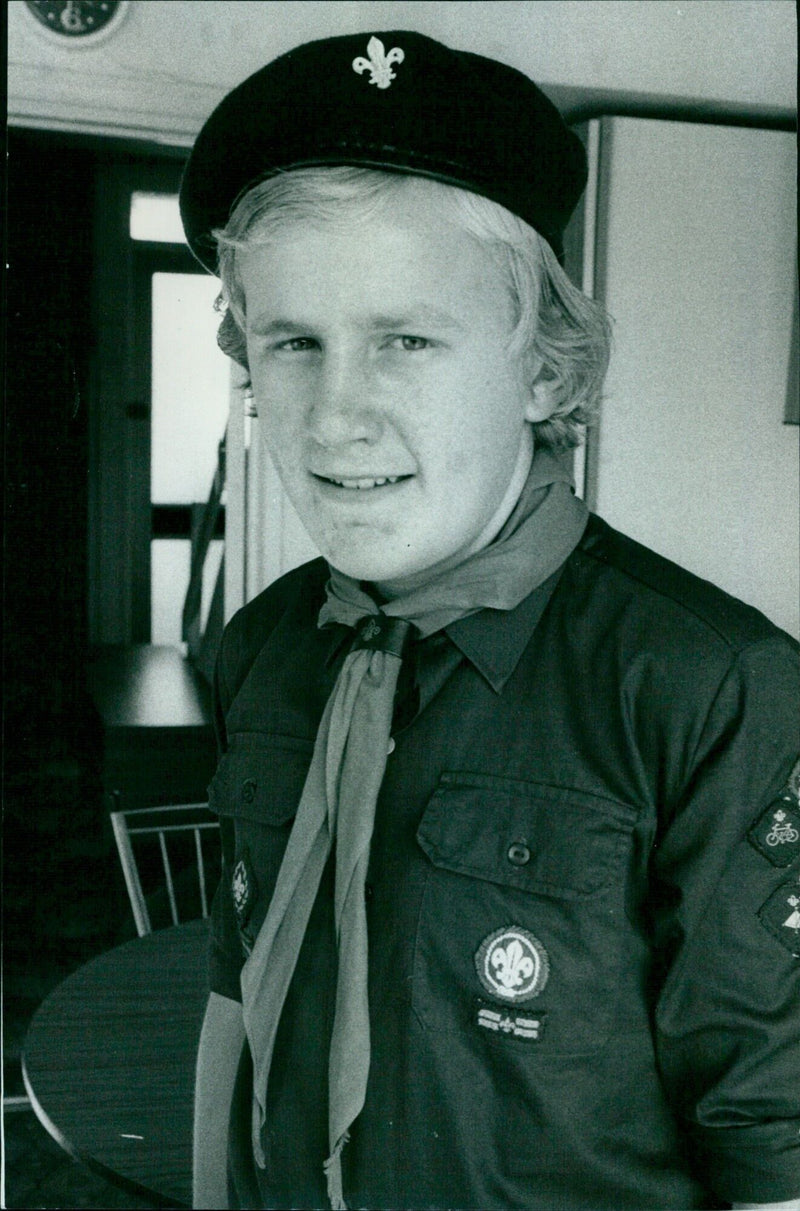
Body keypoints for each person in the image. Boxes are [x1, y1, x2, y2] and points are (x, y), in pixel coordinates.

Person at [181, 30, 800, 1211]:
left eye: (406, 340)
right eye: (293, 344)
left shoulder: (710, 685)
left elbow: (774, 1142)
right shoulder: (264, 647)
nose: (334, 418)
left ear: (545, 372)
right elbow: (237, 1002)